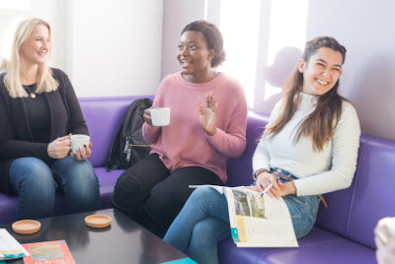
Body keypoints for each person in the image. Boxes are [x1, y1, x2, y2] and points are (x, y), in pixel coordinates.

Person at [164, 36, 361, 264]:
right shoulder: (286, 103)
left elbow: (343, 176)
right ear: (302, 65)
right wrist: (262, 173)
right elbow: (262, 151)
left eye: (335, 69)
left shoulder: (343, 113)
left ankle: (155, 258)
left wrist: (291, 188)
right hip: (265, 194)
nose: (327, 74)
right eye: (321, 65)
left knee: (204, 196)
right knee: (203, 230)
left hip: (297, 208)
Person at [112, 20, 247, 237]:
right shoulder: (169, 83)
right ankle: (121, 243)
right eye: (180, 46)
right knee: (128, 185)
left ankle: (144, 252)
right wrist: (150, 124)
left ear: (211, 52)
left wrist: (212, 131)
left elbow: (238, 147)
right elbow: (151, 138)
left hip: (204, 168)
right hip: (164, 158)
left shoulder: (232, 89)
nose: (183, 52)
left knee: (163, 198)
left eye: (192, 47)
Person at [0, 16, 100, 219]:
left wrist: (80, 145)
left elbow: (78, 124)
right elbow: (3, 144)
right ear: (19, 43)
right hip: (15, 161)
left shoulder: (59, 78)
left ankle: (85, 245)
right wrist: (46, 150)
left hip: (59, 157)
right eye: (38, 39)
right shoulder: (2, 85)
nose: (45, 46)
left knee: (82, 172)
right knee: (38, 176)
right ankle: (35, 249)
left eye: (47, 40)